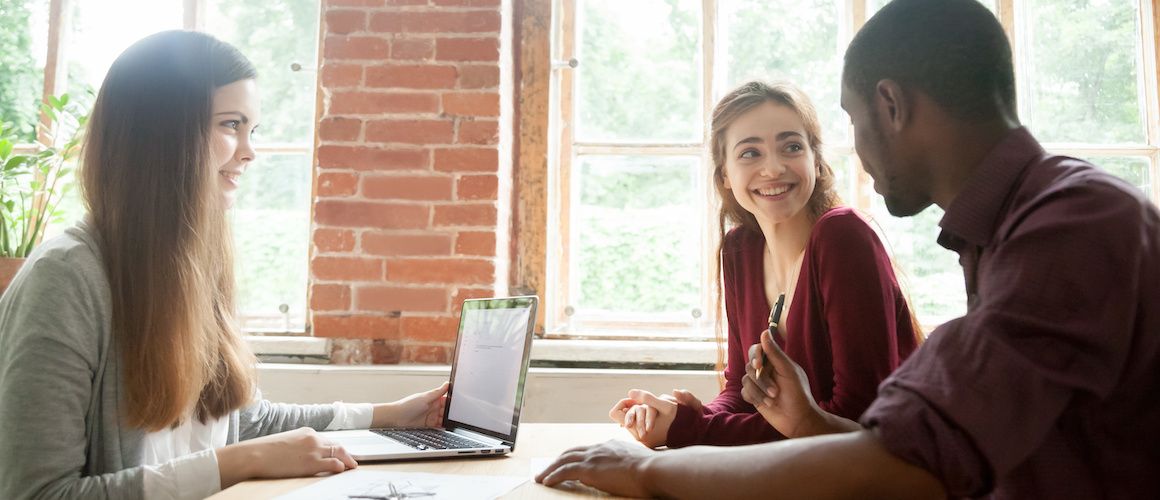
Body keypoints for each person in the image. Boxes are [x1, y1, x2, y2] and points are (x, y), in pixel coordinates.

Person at [537, 0, 1160, 497]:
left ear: (891, 105)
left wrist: (646, 472)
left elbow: (907, 463)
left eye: (852, 121)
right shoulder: (1015, 227)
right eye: (749, 151)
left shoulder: (1071, 223)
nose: (856, 149)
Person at [0, 31, 449, 499]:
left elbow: (247, 421)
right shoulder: (66, 280)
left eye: (252, 129)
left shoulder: (191, 268)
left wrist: (391, 416)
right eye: (231, 124)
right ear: (160, 134)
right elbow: (37, 493)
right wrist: (241, 462)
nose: (250, 152)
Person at [609, 82, 920, 448]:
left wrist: (690, 429)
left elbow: (854, 420)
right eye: (750, 153)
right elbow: (742, 392)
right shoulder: (739, 250)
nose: (773, 168)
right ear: (724, 174)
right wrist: (684, 414)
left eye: (791, 147)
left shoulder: (843, 238)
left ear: (816, 162)